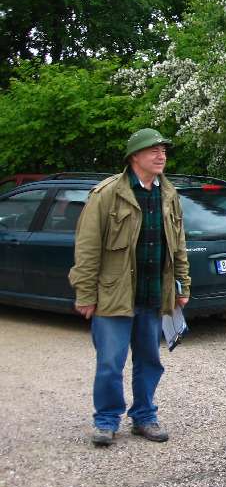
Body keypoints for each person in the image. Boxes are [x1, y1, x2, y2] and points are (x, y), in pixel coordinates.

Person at [69, 128, 191, 446]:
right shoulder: (107, 194)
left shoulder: (169, 195)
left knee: (149, 361)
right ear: (135, 156)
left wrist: (182, 286)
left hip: (153, 294)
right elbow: (87, 248)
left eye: (164, 150)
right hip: (113, 295)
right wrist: (85, 293)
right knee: (110, 363)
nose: (161, 156)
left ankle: (144, 417)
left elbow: (178, 246)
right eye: (153, 150)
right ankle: (106, 421)